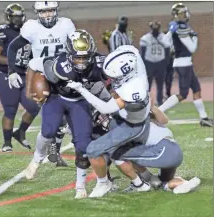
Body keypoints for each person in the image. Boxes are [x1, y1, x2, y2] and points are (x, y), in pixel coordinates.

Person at [24, 29, 110, 199]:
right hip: (58, 97)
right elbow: (33, 64)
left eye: (85, 57)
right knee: (48, 131)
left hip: (81, 101)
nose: (82, 62)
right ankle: (37, 159)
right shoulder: (58, 63)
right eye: (78, 57)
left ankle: (80, 185)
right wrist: (29, 90)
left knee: (83, 145)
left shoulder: (100, 63)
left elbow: (112, 81)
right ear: (69, 53)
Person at [66, 45, 152, 197]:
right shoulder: (133, 56)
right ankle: (141, 184)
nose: (113, 80)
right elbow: (129, 49)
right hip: (126, 117)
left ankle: (103, 183)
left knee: (93, 149)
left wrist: (82, 90)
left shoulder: (133, 89)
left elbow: (105, 108)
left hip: (132, 125)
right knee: (115, 152)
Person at [7, 1, 76, 165]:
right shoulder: (31, 27)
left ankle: (55, 149)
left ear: (56, 10)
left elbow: (75, 47)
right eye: (43, 12)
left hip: (63, 72)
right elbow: (13, 47)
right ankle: (52, 150)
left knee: (68, 112)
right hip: (42, 75)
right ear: (37, 13)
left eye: (51, 11)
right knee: (53, 115)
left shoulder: (66, 24)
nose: (47, 15)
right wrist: (12, 71)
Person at [114, 99, 200, 194]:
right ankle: (182, 183)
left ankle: (139, 184)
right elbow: (165, 120)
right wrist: (152, 107)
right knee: (162, 182)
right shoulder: (149, 117)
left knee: (119, 154)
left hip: (164, 151)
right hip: (176, 151)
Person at [0, 3, 40, 152]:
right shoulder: (1, 31)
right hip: (5, 73)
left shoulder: (27, 31)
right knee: (10, 109)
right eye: (14, 17)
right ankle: (7, 142)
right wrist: (15, 63)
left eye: (19, 17)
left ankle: (20, 132)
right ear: (8, 17)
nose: (17, 20)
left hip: (23, 73)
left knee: (33, 107)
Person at [160, 3, 213, 127]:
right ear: (178, 15)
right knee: (183, 94)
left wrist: (170, 33)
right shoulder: (180, 27)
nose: (185, 15)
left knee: (197, 90)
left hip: (185, 63)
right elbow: (192, 48)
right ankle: (159, 110)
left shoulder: (178, 27)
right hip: (183, 63)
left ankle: (204, 118)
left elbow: (165, 43)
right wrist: (194, 38)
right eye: (183, 13)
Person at [140, 21, 170, 106]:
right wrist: (144, 65)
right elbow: (143, 53)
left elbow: (167, 52)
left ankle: (159, 102)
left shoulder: (164, 37)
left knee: (160, 85)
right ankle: (146, 102)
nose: (155, 30)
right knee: (147, 85)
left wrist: (165, 63)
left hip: (160, 63)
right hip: (149, 63)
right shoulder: (145, 38)